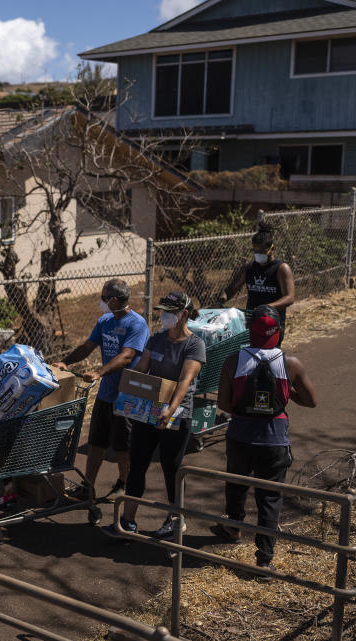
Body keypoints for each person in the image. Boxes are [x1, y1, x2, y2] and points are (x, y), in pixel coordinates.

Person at [213, 304, 316, 576]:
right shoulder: (290, 363)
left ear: (250, 330)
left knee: (236, 484)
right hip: (274, 438)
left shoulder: (233, 360)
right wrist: (284, 393)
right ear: (279, 331)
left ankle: (233, 527)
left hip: (240, 436)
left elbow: (223, 403)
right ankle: (264, 559)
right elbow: (312, 401)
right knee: (270, 497)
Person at [103, 292, 205, 540]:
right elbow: (141, 369)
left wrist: (171, 409)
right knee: (138, 463)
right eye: (163, 311)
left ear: (184, 315)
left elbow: (185, 380)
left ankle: (175, 519)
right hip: (148, 411)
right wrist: (126, 393)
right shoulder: (156, 339)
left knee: (171, 467)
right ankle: (128, 521)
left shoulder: (194, 345)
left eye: (171, 312)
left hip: (177, 414)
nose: (165, 316)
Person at [52, 278, 149, 499]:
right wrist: (66, 362)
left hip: (127, 394)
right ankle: (88, 486)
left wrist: (99, 372)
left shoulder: (137, 324)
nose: (101, 302)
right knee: (97, 441)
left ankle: (124, 483)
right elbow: (87, 347)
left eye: (103, 298)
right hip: (106, 394)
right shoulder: (105, 320)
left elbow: (127, 356)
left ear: (114, 300)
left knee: (122, 447)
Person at [217, 223, 295, 343]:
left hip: (271, 322)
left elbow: (289, 298)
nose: (258, 255)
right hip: (251, 320)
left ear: (272, 249)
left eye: (262, 252)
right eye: (255, 251)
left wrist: (267, 307)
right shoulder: (249, 268)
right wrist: (220, 301)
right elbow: (231, 289)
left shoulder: (281, 269)